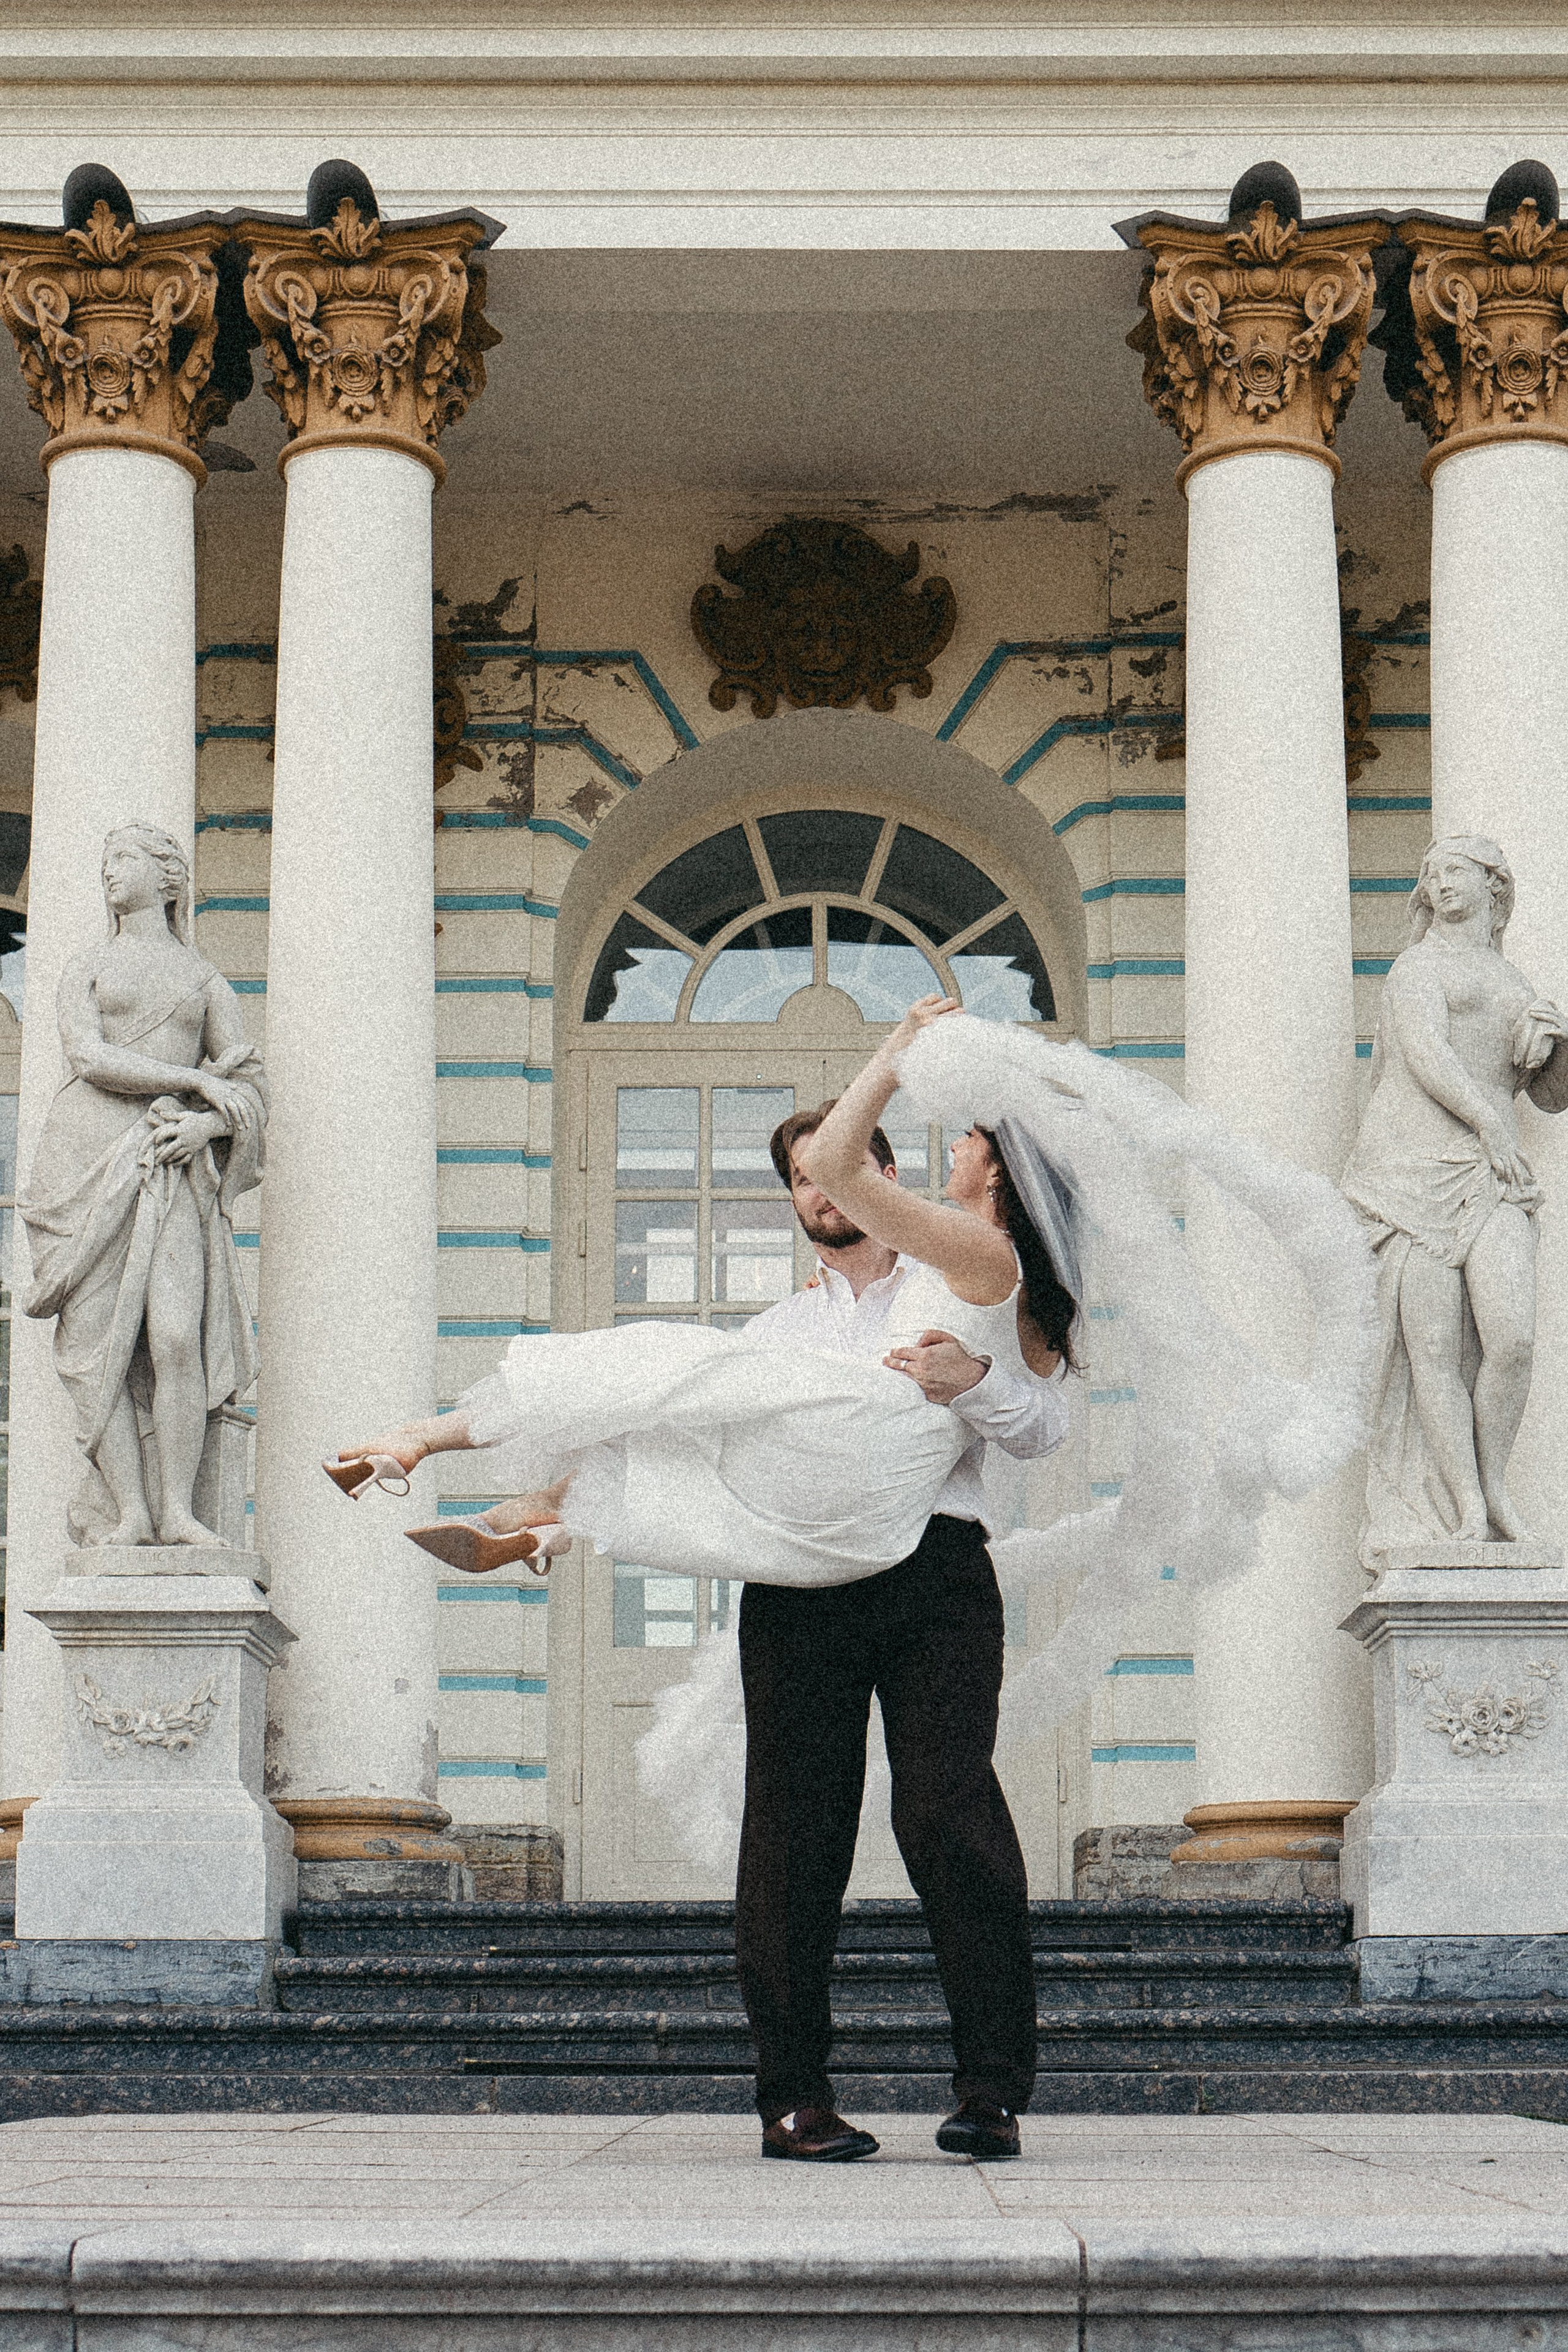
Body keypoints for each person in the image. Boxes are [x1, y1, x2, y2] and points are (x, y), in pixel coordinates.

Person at [729, 997, 1076, 2168]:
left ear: (882, 1173)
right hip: (799, 1583)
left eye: (832, 1171)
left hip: (936, 1572)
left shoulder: (968, 1276)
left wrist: (967, 1380)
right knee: (794, 1830)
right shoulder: (770, 1330)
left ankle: (992, 2091)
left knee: (947, 1810)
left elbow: (1039, 1430)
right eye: (798, 1182)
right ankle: (792, 2098)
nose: (818, 1193)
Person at [18, 823, 266, 1547]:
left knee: (174, 1337)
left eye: (122, 859)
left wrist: (205, 1130)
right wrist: (192, 1081)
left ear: (169, 879)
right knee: (103, 1351)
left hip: (169, 1163)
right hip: (85, 1161)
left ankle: (180, 1511)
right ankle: (131, 1512)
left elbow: (249, 1084)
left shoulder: (204, 980)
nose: (108, 873)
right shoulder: (86, 967)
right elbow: (89, 1056)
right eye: (104, 863)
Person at [1341, 834, 1568, 1554]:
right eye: (1430, 875)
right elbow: (1426, 1054)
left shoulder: (1512, 981)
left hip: (1491, 1176)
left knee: (1513, 1339)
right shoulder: (1418, 966)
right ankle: (1467, 1507)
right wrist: (1487, 1126)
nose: (1437, 884)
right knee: (1431, 1350)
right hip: (1410, 1171)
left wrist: (1560, 1047)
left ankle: (1495, 1481)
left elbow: (1550, 1098)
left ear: (1493, 885)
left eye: (1452, 872)